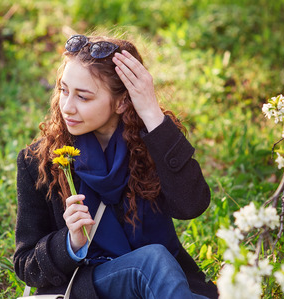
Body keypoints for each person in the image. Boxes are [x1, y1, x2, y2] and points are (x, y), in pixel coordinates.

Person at [14, 33, 218, 299]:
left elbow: (192, 204)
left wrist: (152, 115)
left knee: (155, 264)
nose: (67, 107)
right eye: (64, 90)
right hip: (89, 288)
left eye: (83, 97)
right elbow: (25, 264)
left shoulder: (151, 145)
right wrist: (71, 242)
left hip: (159, 286)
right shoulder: (39, 161)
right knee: (153, 260)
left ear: (122, 101)